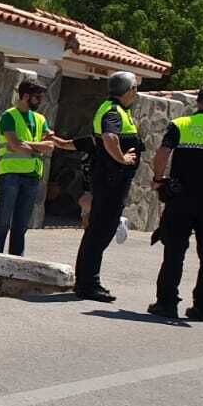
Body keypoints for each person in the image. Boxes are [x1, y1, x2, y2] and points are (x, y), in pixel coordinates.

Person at [146, 84, 203, 322]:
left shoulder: (181, 124)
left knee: (174, 252)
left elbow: (162, 154)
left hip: (181, 198)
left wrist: (158, 179)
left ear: (198, 102)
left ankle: (166, 304)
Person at [74, 71, 144, 302]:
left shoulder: (118, 110)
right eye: (135, 88)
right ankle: (88, 284)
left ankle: (87, 282)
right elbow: (109, 137)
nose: (136, 92)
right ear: (130, 90)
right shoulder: (113, 111)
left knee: (99, 231)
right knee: (99, 232)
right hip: (110, 180)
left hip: (111, 180)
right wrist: (122, 159)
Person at [0, 79, 74, 255]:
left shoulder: (40, 119)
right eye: (37, 97)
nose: (40, 100)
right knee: (3, 220)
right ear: (25, 96)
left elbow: (49, 145)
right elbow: (14, 145)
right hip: (11, 174)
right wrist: (37, 147)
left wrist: (29, 146)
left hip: (32, 176)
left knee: (21, 224)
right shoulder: (8, 116)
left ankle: (16, 259)